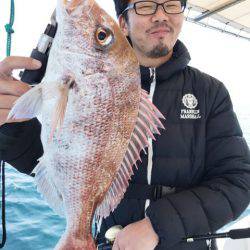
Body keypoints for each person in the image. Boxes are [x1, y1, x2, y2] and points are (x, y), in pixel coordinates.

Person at [0, 0, 249, 249]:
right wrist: (7, 125)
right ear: (123, 24)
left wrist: (157, 225)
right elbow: (47, 156)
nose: (161, 15)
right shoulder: (87, 82)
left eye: (172, 4)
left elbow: (239, 182)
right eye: (146, 5)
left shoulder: (210, 92)